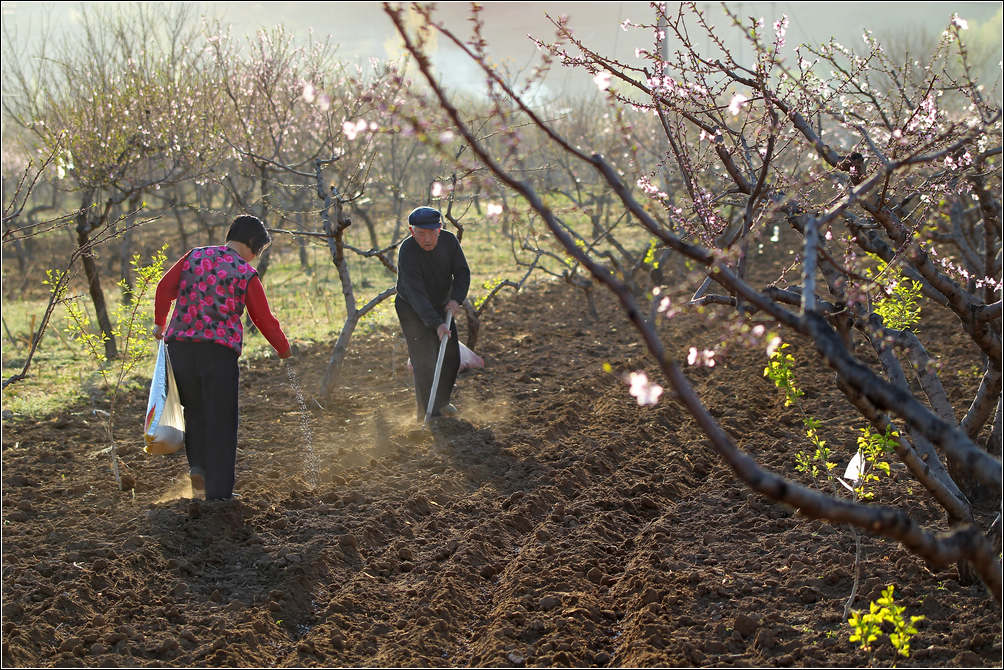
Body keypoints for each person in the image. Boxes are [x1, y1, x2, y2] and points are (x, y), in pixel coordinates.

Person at [153, 215, 291, 499]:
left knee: (195, 413)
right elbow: (263, 318)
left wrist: (159, 322)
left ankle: (198, 469)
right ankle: (219, 493)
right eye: (259, 251)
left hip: (180, 347)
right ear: (253, 245)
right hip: (218, 352)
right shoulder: (244, 273)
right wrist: (283, 348)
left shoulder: (194, 256)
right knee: (222, 420)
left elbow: (164, 288)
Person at [395, 206, 471, 422]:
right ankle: (426, 413)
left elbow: (462, 273)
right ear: (412, 231)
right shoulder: (408, 251)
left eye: (431, 232)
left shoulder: (449, 242)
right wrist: (436, 324)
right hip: (412, 308)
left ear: (440, 229)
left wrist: (456, 298)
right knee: (423, 360)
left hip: (442, 304)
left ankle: (442, 402)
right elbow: (416, 294)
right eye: (420, 233)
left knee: (451, 357)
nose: (426, 239)